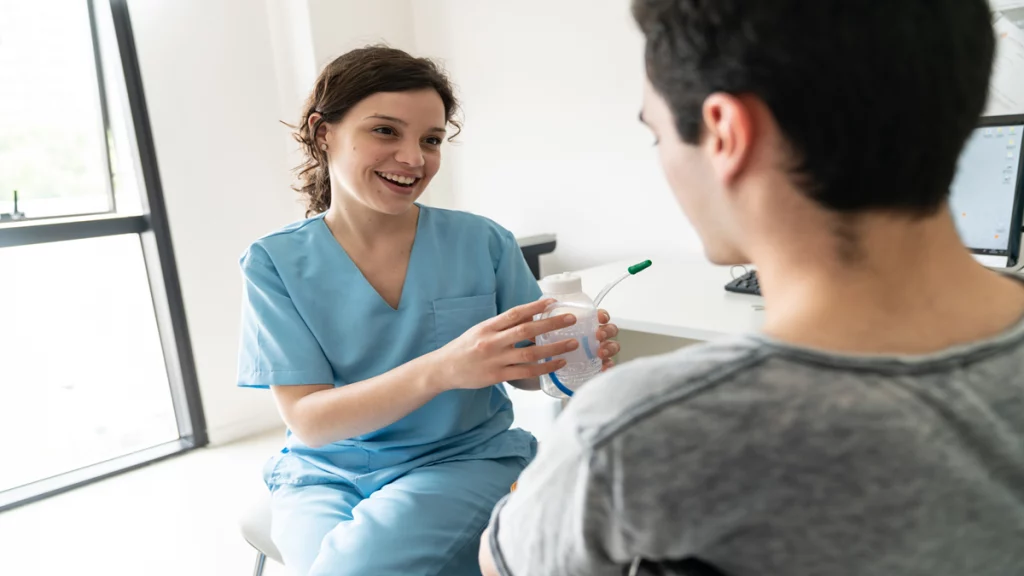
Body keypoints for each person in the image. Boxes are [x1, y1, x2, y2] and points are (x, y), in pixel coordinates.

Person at [480, 0, 1024, 574]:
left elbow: (505, 564)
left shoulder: (640, 429)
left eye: (657, 135)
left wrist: (570, 466)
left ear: (726, 134)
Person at [236, 46, 620, 576]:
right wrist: (445, 368)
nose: (414, 159)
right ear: (324, 133)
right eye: (386, 132)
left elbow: (528, 375)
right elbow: (311, 422)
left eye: (431, 140)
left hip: (462, 459)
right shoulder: (274, 262)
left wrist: (570, 357)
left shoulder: (482, 242)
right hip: (323, 472)